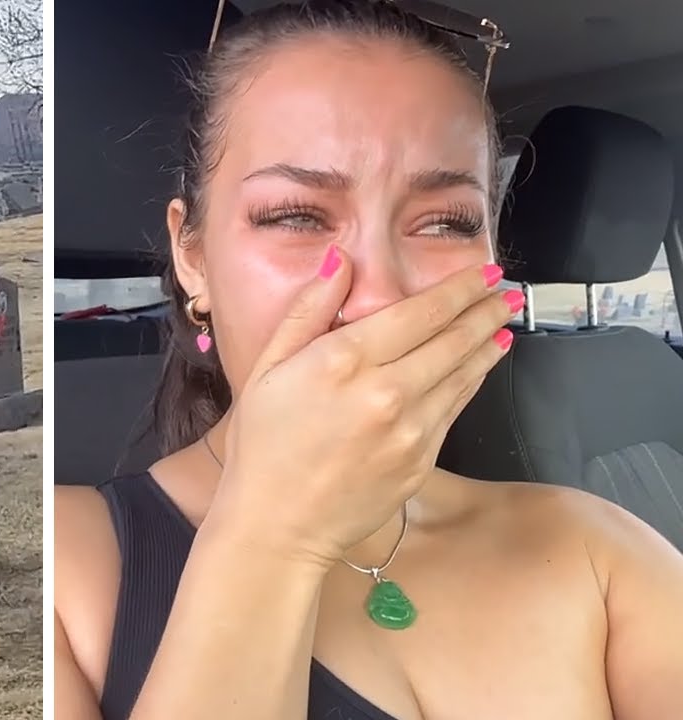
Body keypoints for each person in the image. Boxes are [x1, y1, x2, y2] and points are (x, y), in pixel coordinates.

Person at [53, 2, 683, 719]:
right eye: (296, 216)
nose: (378, 296)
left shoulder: (601, 549)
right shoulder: (64, 570)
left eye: (445, 221)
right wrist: (273, 535)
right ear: (192, 256)